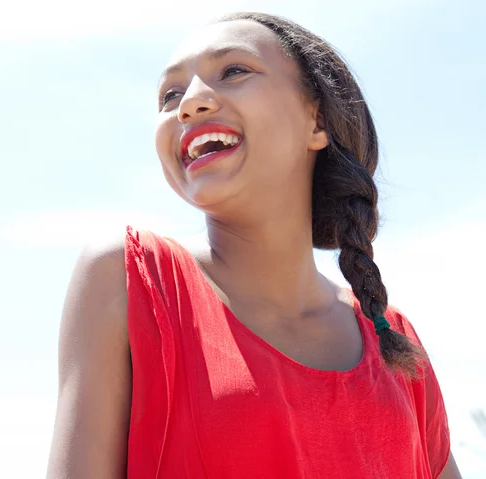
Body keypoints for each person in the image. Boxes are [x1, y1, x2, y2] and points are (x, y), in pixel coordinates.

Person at [46, 12, 462, 479]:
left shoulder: (395, 344)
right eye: (170, 95)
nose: (189, 105)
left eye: (234, 71)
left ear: (317, 120)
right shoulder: (133, 278)